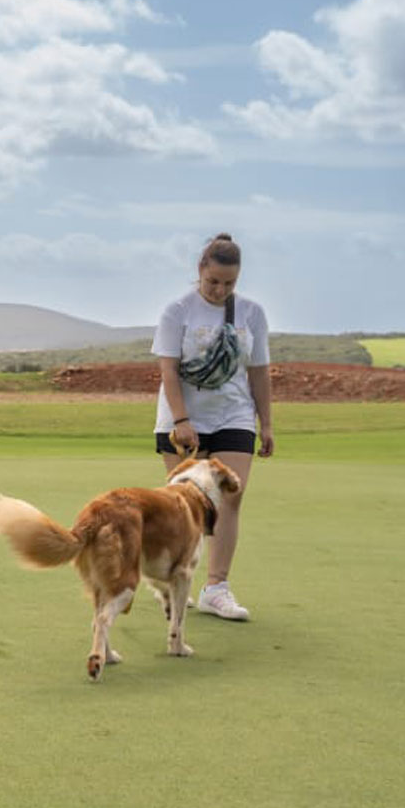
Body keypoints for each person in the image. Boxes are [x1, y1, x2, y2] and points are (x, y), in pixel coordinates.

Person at [152, 233, 274, 620]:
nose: (220, 290)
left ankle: (216, 588)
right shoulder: (177, 311)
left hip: (235, 413)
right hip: (184, 415)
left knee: (230, 497)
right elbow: (168, 371)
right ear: (200, 271)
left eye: (229, 283)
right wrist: (182, 420)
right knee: (186, 506)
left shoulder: (252, 313)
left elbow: (259, 371)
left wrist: (266, 423)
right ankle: (176, 578)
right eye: (213, 282)